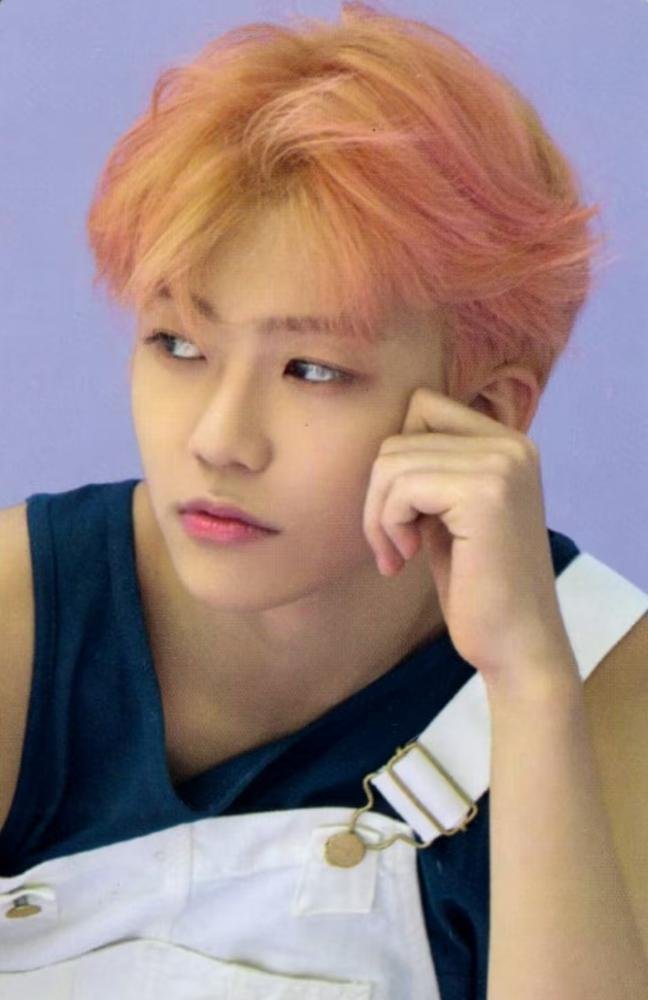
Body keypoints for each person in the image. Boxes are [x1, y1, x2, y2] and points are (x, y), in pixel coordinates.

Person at [1, 3, 647, 998]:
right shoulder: (22, 613)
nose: (218, 437)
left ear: (482, 414)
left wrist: (528, 684)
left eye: (311, 369)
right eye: (178, 344)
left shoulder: (612, 687)